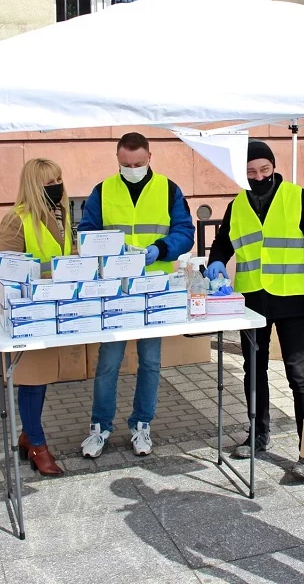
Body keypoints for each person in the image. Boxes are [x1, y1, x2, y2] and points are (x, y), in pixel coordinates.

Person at [206, 140, 304, 481]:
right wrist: (216, 262)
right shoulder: (237, 205)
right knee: (253, 370)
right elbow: (222, 243)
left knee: (299, 375)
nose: (259, 176)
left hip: (292, 301)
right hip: (253, 302)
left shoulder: (298, 197)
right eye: (251, 172)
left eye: (264, 169)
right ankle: (258, 435)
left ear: (274, 167)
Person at [78, 132, 195, 458]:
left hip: (154, 287)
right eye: (126, 164)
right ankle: (99, 428)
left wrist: (160, 249)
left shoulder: (169, 189)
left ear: (149, 158)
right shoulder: (102, 190)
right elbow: (86, 232)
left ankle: (142, 424)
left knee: (151, 362)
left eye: (138, 163)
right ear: (118, 160)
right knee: (108, 363)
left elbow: (185, 232)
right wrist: (108, 250)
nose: (132, 169)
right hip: (115, 290)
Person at [0, 157, 73, 477]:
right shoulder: (17, 219)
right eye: (49, 183)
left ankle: (28, 436)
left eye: (59, 180)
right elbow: (7, 270)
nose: (57, 187)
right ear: (34, 186)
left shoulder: (61, 214)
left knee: (40, 380)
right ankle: (38, 445)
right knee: (32, 380)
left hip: (54, 309)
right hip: (29, 312)